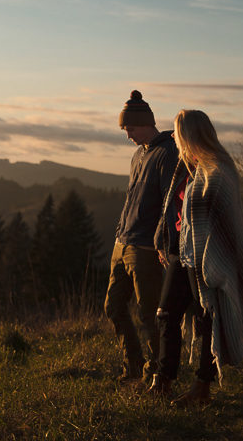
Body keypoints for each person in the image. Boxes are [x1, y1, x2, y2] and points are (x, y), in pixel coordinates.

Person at [146, 109, 243, 406]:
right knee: (167, 313)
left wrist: (211, 260)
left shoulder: (219, 172)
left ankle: (201, 387)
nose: (176, 140)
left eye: (179, 134)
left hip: (207, 257)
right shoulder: (187, 167)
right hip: (182, 253)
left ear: (190, 135)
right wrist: (164, 240)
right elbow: (173, 210)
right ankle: (163, 379)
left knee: (207, 318)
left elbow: (223, 223)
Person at [103, 90, 180, 385]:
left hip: (146, 247)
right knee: (113, 306)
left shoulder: (167, 153)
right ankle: (133, 365)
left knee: (149, 314)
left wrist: (161, 243)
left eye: (130, 129)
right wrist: (120, 232)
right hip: (122, 242)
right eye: (125, 129)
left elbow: (169, 203)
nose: (128, 135)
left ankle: (155, 373)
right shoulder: (139, 154)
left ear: (146, 123)